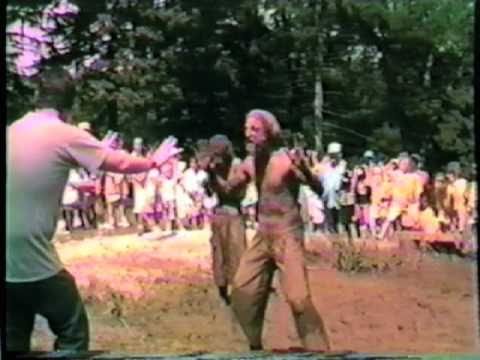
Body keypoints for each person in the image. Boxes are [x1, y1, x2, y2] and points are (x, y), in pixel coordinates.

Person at [6, 66, 182, 353]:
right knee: (72, 330)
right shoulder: (63, 132)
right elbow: (121, 164)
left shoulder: (12, 130)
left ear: (36, 97)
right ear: (69, 106)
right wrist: (153, 161)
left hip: (7, 260)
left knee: (13, 340)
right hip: (32, 256)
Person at [210, 109, 330, 351]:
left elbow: (319, 189)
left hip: (287, 234)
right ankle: (252, 348)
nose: (248, 134)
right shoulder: (249, 164)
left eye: (254, 129)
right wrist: (210, 173)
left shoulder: (286, 161)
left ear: (269, 132)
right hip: (262, 236)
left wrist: (305, 169)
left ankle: (318, 351)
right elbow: (228, 191)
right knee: (242, 293)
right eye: (246, 129)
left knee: (298, 298)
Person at [199, 134, 247, 305]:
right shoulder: (216, 167)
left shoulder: (237, 166)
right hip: (220, 213)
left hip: (233, 213)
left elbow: (231, 190)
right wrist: (209, 175)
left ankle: (237, 291)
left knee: (237, 254)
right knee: (219, 254)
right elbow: (211, 191)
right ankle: (222, 290)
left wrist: (212, 174)